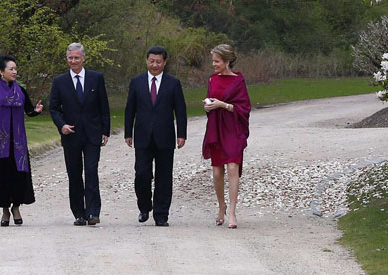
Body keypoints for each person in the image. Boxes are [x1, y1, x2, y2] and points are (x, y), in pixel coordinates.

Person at [124, 45, 188, 226]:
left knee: (164, 177)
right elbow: (130, 109)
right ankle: (144, 206)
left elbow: (181, 111)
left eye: (158, 62)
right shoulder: (136, 82)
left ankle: (161, 215)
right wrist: (128, 133)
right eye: (151, 61)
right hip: (143, 136)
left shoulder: (173, 83)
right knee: (142, 174)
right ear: (146, 61)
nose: (154, 65)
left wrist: (181, 134)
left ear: (164, 63)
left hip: (165, 136)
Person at [49, 42, 111, 226]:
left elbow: (104, 107)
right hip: (71, 135)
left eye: (77, 57)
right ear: (67, 59)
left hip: (92, 134)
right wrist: (61, 125)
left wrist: (105, 131)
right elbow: (54, 108)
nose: (73, 61)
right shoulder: (59, 81)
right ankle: (79, 213)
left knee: (91, 172)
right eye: (70, 58)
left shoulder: (96, 78)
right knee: (74, 174)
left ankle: (93, 212)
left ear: (83, 58)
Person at [0, 54, 43, 226]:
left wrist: (36, 111)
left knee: (18, 176)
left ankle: (16, 207)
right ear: (1, 71)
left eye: (15, 69)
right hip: (0, 142)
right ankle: (5, 210)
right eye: (11, 69)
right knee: (2, 177)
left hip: (18, 142)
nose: (15, 72)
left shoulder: (20, 90)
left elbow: (28, 110)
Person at [201, 43, 251, 229]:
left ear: (227, 61)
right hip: (216, 128)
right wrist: (208, 106)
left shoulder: (238, 81)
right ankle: (221, 206)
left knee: (232, 167)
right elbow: (209, 102)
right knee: (216, 171)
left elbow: (244, 108)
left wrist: (223, 104)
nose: (214, 64)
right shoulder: (212, 80)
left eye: (217, 61)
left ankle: (231, 212)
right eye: (213, 61)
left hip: (233, 129)